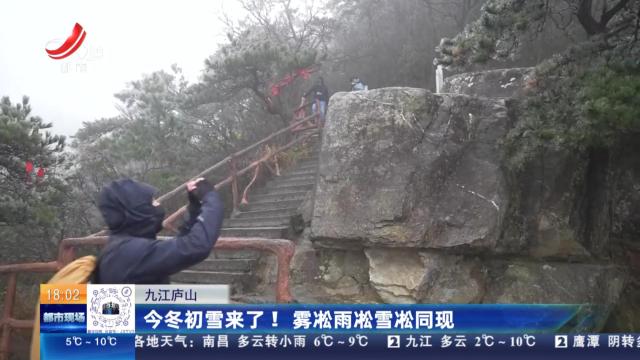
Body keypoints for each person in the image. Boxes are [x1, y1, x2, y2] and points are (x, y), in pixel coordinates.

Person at [93, 177, 224, 284]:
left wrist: (195, 207)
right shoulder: (127, 253)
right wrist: (210, 197)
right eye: (151, 201)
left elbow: (179, 246)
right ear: (135, 211)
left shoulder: (122, 247)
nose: (158, 204)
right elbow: (195, 246)